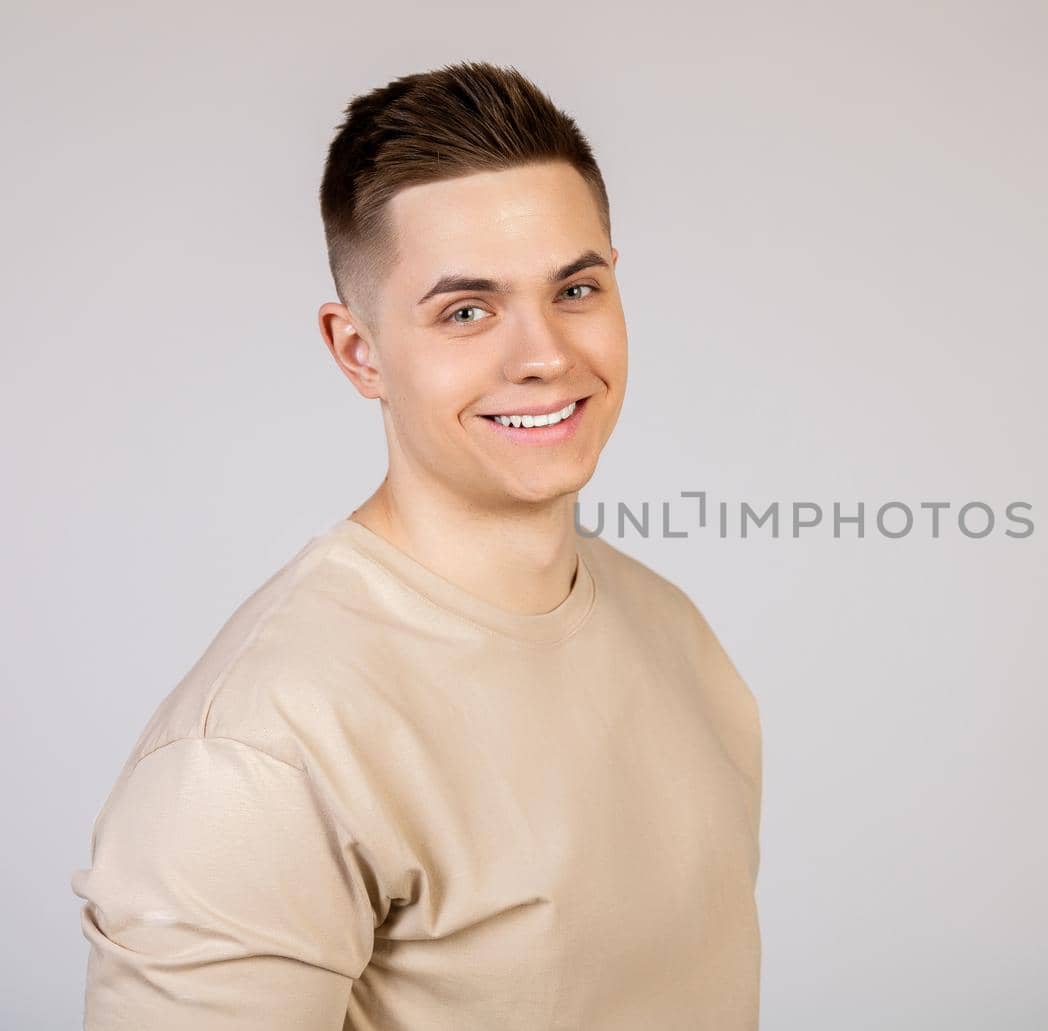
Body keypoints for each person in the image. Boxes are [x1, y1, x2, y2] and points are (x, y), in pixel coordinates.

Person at [69, 60, 762, 1030]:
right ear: (359, 350)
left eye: (575, 288)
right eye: (466, 310)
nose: (545, 355)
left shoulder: (670, 628)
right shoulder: (257, 753)